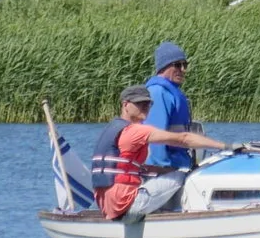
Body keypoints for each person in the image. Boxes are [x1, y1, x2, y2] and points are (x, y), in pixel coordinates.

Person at [88, 84, 218, 220]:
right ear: (125, 105)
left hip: (108, 208)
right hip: (128, 208)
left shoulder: (111, 129)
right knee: (182, 177)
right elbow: (183, 139)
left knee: (168, 175)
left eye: (148, 104)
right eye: (139, 103)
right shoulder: (135, 131)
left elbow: (132, 169)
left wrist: (165, 172)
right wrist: (224, 146)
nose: (145, 107)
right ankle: (187, 216)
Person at [143, 41, 201, 173]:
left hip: (180, 164)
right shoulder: (157, 93)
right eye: (177, 65)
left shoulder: (171, 92)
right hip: (164, 169)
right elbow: (154, 136)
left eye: (185, 65)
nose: (183, 70)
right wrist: (161, 168)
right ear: (163, 67)